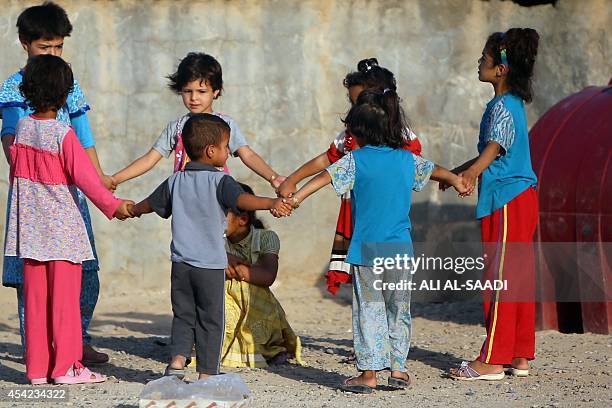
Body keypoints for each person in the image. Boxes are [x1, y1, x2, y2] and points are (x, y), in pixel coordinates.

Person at [289, 89, 467, 393]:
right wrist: (457, 180)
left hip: (366, 251)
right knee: (399, 308)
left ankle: (369, 373)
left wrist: (295, 198)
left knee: (369, 309)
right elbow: (433, 169)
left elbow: (324, 178)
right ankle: (398, 369)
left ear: (359, 133)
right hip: (400, 251)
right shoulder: (406, 159)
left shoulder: (355, 160)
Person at [130, 113, 292, 380]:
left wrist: (132, 210)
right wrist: (271, 203)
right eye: (227, 146)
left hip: (181, 265)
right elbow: (243, 200)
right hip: (210, 266)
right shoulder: (221, 181)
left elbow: (149, 203)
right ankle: (206, 374)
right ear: (211, 150)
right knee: (210, 319)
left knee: (183, 314)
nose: (229, 151)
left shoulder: (175, 181)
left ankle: (178, 361)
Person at [5, 55, 132, 384]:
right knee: (64, 304)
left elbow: (16, 170)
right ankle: (66, 368)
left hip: (30, 234)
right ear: (64, 95)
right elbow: (87, 179)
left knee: (35, 305)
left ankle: (37, 371)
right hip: (63, 236)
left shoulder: (22, 128)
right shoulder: (62, 134)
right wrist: (115, 206)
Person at [0, 0, 113, 365]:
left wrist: (98, 181)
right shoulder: (14, 89)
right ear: (24, 42)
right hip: (34, 197)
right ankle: (41, 350)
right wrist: (33, 179)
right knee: (30, 278)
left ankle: (76, 340)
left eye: (58, 47)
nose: (52, 54)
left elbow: (83, 137)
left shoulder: (69, 83)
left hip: (71, 197)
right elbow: (12, 142)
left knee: (84, 272)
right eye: (44, 46)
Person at [277, 58, 421, 295]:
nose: (355, 112)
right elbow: (328, 161)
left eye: (359, 104)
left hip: (385, 218)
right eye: (353, 104)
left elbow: (420, 166)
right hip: (357, 214)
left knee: (391, 287)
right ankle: (370, 325)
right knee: (365, 279)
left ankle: (386, 327)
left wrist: (456, 177)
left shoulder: (401, 138)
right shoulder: (351, 135)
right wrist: (293, 180)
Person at [446, 28, 540, 381]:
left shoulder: (503, 105)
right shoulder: (510, 104)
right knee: (515, 278)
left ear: (501, 69)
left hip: (507, 199)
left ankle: (492, 360)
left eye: (484, 59)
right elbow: (492, 151)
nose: (479, 64)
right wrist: (455, 173)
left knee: (499, 277)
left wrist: (469, 176)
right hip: (519, 198)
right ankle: (518, 354)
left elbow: (494, 148)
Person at [111, 52, 285, 189]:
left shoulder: (225, 125)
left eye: (201, 92)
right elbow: (149, 159)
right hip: (184, 200)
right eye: (187, 91)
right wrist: (115, 179)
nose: (194, 98)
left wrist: (273, 177)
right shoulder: (176, 128)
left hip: (216, 197)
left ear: (215, 91)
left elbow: (248, 155)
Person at [222, 183, 303, 368]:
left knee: (241, 287)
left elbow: (267, 276)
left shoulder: (266, 238)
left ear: (242, 219)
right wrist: (222, 258)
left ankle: (268, 348)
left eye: (221, 215)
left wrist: (239, 270)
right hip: (225, 304)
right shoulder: (214, 242)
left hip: (258, 307)